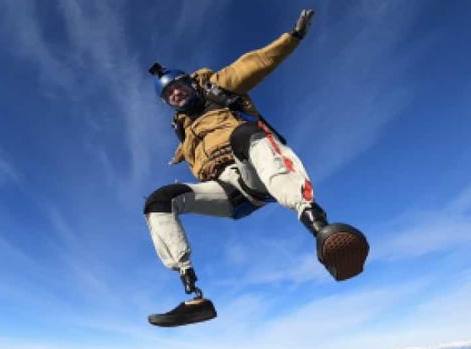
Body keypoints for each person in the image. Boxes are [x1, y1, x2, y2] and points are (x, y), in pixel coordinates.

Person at [145, 9, 369, 327]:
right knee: (159, 201)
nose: (175, 94)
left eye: (178, 86)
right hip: (228, 191)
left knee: (244, 133)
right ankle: (194, 295)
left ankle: (319, 226)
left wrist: (294, 36)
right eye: (169, 95)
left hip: (254, 167)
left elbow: (258, 62)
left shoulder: (217, 88)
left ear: (190, 82)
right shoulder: (184, 130)